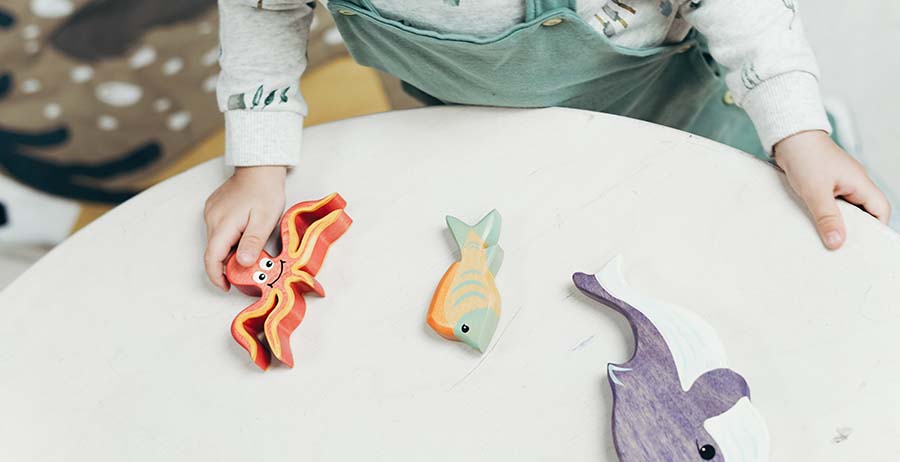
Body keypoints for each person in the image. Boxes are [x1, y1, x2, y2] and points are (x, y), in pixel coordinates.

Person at [203, 0, 891, 289]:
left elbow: (746, 14)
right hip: (468, 120)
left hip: (670, 112)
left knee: (716, 246)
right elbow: (266, 12)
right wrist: (258, 162)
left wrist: (798, 129)